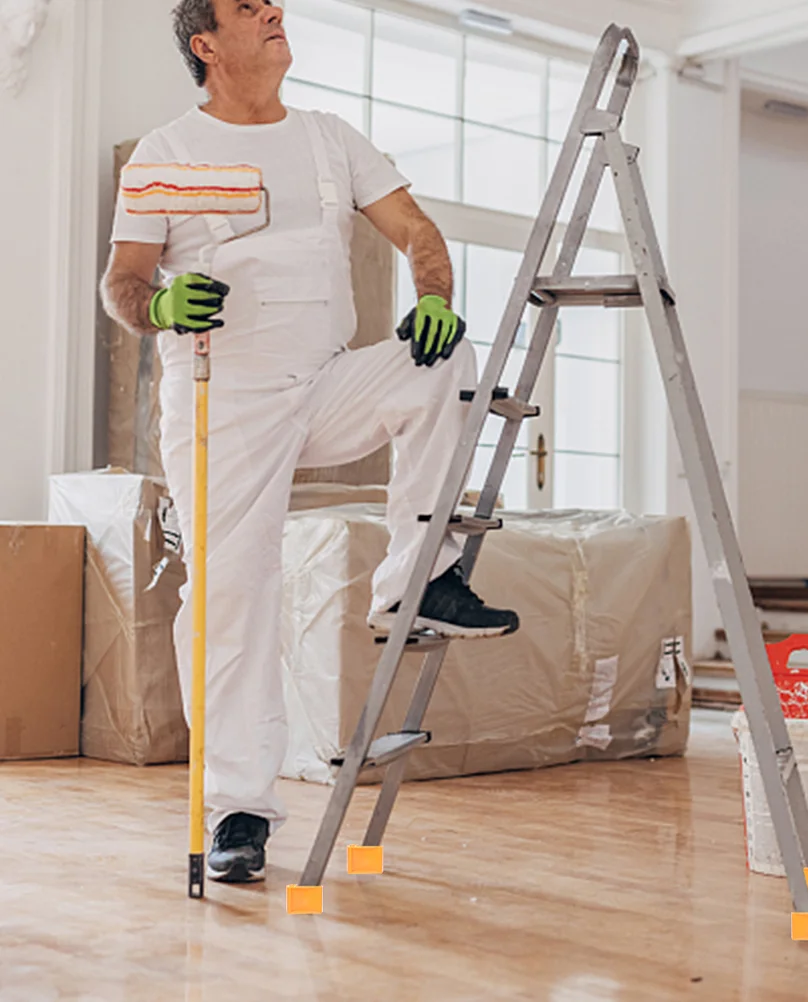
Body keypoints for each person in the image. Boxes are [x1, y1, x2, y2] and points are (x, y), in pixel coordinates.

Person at [100, 0, 519, 885]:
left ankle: (418, 581)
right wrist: (160, 308)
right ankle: (239, 809)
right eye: (251, 7)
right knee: (231, 598)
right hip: (225, 400)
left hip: (323, 380)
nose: (274, 12)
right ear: (205, 44)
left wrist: (434, 293)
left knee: (443, 363)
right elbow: (125, 282)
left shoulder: (331, 139)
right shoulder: (164, 152)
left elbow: (418, 233)